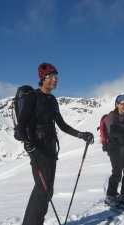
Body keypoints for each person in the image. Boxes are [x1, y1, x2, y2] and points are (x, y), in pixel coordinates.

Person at [18, 63, 94, 225]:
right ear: (42, 79)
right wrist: (27, 142)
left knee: (46, 189)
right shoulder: (33, 97)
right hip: (38, 147)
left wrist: (81, 135)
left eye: (56, 77)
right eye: (51, 77)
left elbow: (62, 125)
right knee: (43, 189)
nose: (55, 80)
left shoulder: (52, 100)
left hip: (51, 147)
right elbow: (22, 124)